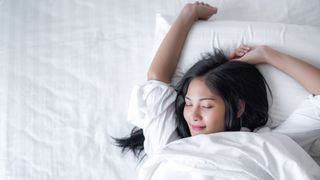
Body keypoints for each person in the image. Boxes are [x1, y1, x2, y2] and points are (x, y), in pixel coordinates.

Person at [114, 1, 320, 163]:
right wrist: (188, 15)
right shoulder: (170, 147)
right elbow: (156, 79)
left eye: (206, 105)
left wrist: (267, 54)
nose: (193, 115)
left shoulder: (268, 145)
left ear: (238, 107)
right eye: (188, 103)